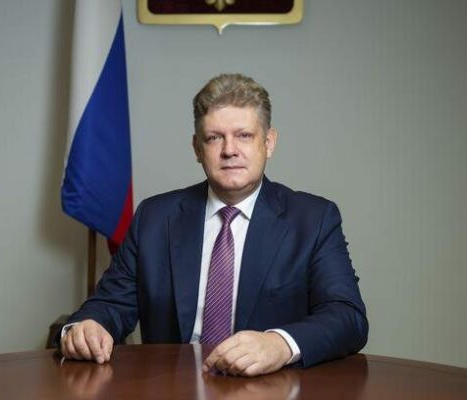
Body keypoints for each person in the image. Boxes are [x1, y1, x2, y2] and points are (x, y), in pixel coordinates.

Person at [59, 73, 368, 377]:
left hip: (271, 387)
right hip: (172, 388)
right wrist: (88, 326)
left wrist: (279, 344)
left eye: (244, 135)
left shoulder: (313, 220)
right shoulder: (154, 218)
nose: (229, 150)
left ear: (269, 142)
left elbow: (347, 316)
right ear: (197, 148)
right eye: (214, 138)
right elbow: (109, 304)